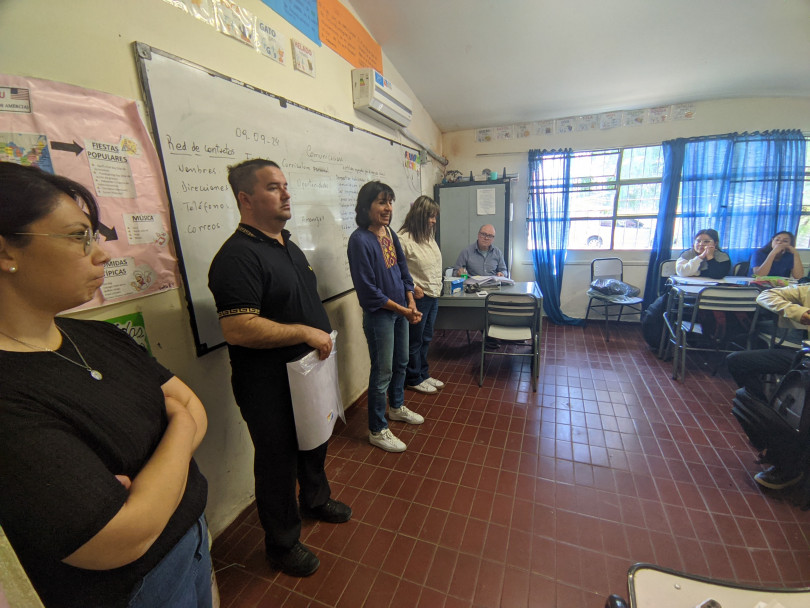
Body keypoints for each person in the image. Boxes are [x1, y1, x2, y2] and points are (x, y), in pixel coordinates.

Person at [0, 162, 210, 608]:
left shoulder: (98, 336)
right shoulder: (9, 390)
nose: (102, 254)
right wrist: (179, 427)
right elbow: (118, 538)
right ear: (5, 252)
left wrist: (150, 484)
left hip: (192, 539)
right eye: (79, 236)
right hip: (134, 590)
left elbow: (196, 406)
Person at [208, 159, 350, 578]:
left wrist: (314, 338)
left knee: (316, 439)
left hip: (307, 374)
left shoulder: (287, 245)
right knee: (277, 462)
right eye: (274, 187)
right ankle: (282, 543)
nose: (286, 193)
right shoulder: (237, 256)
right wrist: (306, 332)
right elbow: (238, 327)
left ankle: (316, 499)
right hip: (268, 384)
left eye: (286, 185)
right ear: (245, 199)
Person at [347, 181, 425, 453]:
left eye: (390, 202)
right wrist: (403, 308)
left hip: (401, 311)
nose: (388, 208)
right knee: (382, 371)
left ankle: (396, 407)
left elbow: (403, 269)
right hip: (381, 315)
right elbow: (368, 291)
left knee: (401, 362)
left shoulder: (389, 232)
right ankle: (377, 429)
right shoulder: (360, 240)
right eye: (381, 202)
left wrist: (411, 298)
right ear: (366, 207)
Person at [727, 284, 810, 489]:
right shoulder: (807, 290)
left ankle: (788, 466)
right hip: (804, 356)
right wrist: (801, 313)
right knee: (737, 361)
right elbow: (766, 295)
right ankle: (769, 424)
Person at [398, 195, 445, 395]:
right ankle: (413, 378)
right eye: (431, 216)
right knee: (414, 341)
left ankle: (423, 374)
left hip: (433, 295)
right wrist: (413, 287)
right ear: (420, 215)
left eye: (435, 217)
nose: (434, 221)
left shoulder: (428, 237)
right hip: (418, 298)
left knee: (426, 338)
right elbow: (396, 271)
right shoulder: (403, 239)